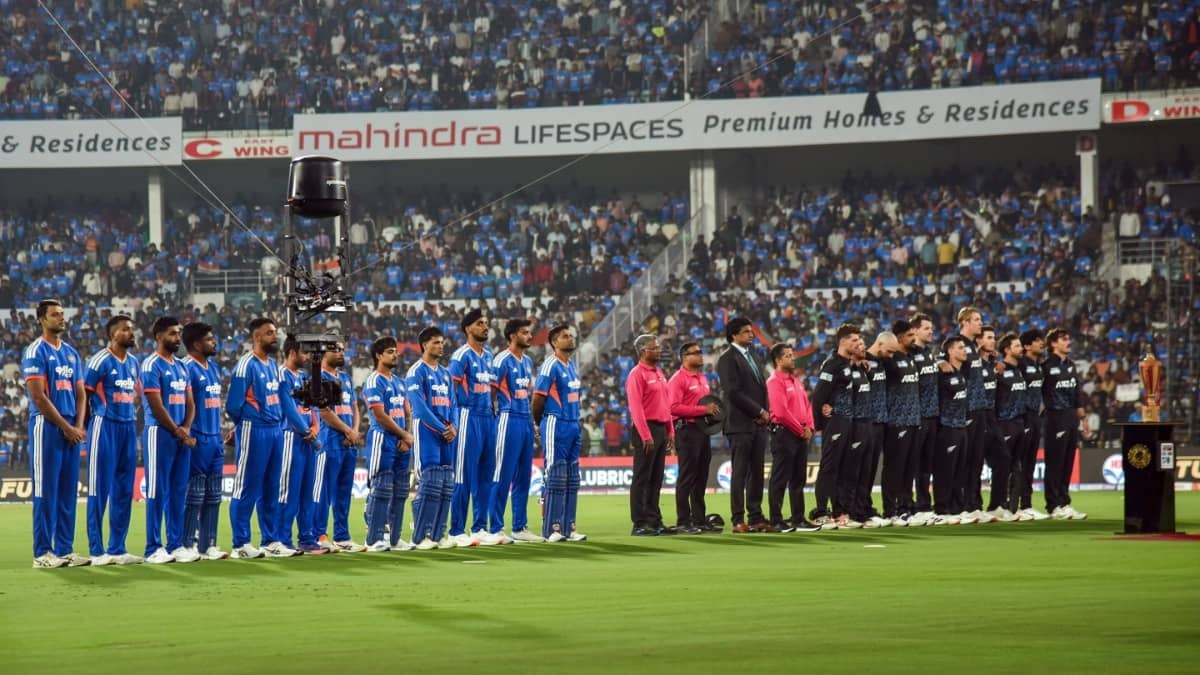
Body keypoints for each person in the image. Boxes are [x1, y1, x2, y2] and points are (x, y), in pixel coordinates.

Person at [25, 299, 90, 568]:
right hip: (47, 427)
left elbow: (81, 393)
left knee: (67, 493)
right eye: (55, 315)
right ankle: (42, 553)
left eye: (63, 314)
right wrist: (67, 427)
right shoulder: (35, 351)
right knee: (45, 491)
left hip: (71, 429)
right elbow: (38, 397)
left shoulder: (72, 353)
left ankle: (65, 549)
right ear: (42, 319)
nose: (61, 318)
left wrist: (79, 425)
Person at [227, 317, 288, 559]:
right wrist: (245, 424)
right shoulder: (246, 365)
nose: (275, 336)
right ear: (257, 337)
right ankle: (240, 543)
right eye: (269, 333)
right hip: (255, 429)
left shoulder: (273, 364)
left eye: (275, 332)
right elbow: (233, 405)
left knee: (271, 487)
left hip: (275, 430)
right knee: (247, 486)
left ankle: (270, 540)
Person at [84, 315, 142, 566]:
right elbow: (83, 395)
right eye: (125, 330)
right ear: (113, 334)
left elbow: (136, 395)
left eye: (132, 329)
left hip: (127, 428)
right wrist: (88, 425)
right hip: (104, 425)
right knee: (99, 489)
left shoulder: (134, 363)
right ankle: (97, 551)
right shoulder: (99, 360)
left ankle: (117, 548)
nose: (131, 333)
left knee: (123, 490)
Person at [141, 316, 200, 564]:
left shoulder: (181, 366)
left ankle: (175, 544)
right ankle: (153, 547)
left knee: (178, 492)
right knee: (156, 490)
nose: (178, 338)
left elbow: (190, 402)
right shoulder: (150, 365)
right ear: (159, 337)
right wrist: (178, 431)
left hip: (180, 435)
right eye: (173, 334)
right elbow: (156, 406)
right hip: (159, 434)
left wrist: (186, 426)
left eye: (179, 334)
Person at [716, 317, 774, 533]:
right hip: (740, 424)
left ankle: (756, 516)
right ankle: (738, 519)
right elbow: (733, 392)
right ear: (734, 335)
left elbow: (762, 389)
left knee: (757, 472)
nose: (751, 334)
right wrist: (759, 411)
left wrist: (764, 413)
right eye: (746, 331)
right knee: (740, 472)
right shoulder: (728, 359)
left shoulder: (754, 357)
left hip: (758, 424)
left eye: (751, 331)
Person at [488, 318, 544, 544]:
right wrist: (494, 421)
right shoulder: (501, 359)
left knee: (523, 476)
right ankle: (495, 527)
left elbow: (527, 393)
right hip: (508, 419)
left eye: (529, 332)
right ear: (512, 336)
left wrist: (533, 422)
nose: (529, 336)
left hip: (525, 420)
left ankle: (520, 527)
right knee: (502, 474)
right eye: (524, 332)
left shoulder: (528, 361)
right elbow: (491, 394)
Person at [180, 321, 230, 560]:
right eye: (210, 339)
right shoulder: (186, 367)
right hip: (197, 438)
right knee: (194, 494)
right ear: (197, 344)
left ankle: (209, 544)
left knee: (214, 495)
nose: (214, 342)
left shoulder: (213, 368)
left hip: (215, 438)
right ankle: (187, 544)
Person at [533, 324, 587, 542]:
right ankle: (552, 528)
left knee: (572, 478)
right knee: (555, 476)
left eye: (571, 335)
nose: (570, 338)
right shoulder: (550, 365)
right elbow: (537, 399)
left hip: (573, 423)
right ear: (555, 342)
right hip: (556, 423)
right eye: (565, 336)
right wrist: (541, 424)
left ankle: (569, 527)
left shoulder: (571, 364)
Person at [448, 308, 496, 547]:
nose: (485, 327)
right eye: (480, 323)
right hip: (468, 416)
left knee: (486, 475)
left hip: (488, 417)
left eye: (486, 323)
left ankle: (480, 527)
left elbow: (492, 388)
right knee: (464, 475)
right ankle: (456, 530)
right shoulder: (461, 356)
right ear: (468, 328)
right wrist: (454, 418)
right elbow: (451, 389)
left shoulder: (488, 356)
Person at [362, 336, 415, 551]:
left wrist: (406, 436)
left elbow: (407, 412)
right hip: (382, 440)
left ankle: (394, 538)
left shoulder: (399, 382)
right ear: (378, 355)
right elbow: (380, 415)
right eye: (391, 351)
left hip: (401, 440)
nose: (396, 355)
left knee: (401, 490)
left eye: (396, 351)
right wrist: (404, 434)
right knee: (381, 488)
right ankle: (374, 539)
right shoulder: (374, 381)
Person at [407, 326, 458, 550]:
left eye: (442, 342)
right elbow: (419, 407)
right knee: (429, 482)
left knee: (446, 483)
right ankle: (420, 535)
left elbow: (453, 403)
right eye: (436, 342)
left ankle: (438, 533)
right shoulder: (416, 371)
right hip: (427, 431)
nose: (441, 346)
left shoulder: (445, 373)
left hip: (447, 432)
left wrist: (453, 425)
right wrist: (441, 427)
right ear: (425, 345)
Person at [809, 324, 861, 530]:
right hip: (835, 422)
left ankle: (839, 512)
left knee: (843, 468)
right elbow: (819, 396)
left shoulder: (846, 364)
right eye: (854, 340)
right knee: (829, 467)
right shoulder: (832, 365)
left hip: (846, 421)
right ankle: (821, 512)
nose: (858, 343)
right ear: (844, 342)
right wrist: (820, 425)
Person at [316, 342, 367, 552]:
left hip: (348, 443)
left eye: (342, 350)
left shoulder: (345, 378)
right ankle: (319, 535)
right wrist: (349, 431)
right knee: (324, 492)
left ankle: (342, 536)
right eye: (335, 350)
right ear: (323, 353)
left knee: (344, 493)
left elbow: (354, 407)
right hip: (329, 441)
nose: (340, 353)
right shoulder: (318, 377)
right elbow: (324, 412)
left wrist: (353, 431)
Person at [765, 343, 819, 532]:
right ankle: (776, 519)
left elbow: (807, 406)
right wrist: (800, 429)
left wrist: (810, 427)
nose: (792, 358)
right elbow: (780, 413)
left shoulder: (796, 381)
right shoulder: (774, 382)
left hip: (800, 434)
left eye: (792, 355)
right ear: (778, 360)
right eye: (788, 355)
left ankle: (798, 518)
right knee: (780, 479)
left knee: (798, 479)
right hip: (784, 434)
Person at [277, 337, 324, 555]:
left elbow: (313, 405)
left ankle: (307, 538)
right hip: (291, 437)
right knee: (289, 491)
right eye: (304, 353)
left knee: (307, 491)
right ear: (293, 352)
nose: (308, 357)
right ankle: (282, 539)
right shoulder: (282, 375)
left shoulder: (305, 377)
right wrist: (307, 432)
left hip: (308, 439)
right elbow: (289, 410)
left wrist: (315, 426)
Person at [624, 334, 674, 536]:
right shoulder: (637, 374)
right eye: (655, 348)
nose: (658, 350)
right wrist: (646, 435)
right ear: (644, 351)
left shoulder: (659, 372)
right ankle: (640, 522)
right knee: (642, 477)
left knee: (656, 478)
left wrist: (670, 430)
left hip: (661, 427)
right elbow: (636, 408)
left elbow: (666, 403)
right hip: (647, 429)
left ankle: (654, 520)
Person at [668, 341, 719, 533]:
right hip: (687, 430)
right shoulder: (678, 379)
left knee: (701, 476)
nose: (700, 355)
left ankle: (698, 519)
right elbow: (673, 407)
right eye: (695, 353)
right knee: (687, 477)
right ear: (684, 357)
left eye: (700, 351)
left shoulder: (702, 378)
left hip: (702, 431)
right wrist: (703, 410)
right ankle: (683, 520)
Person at [1041, 329, 1089, 520]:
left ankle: (1065, 502)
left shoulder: (1070, 365)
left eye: (1069, 339)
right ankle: (1053, 505)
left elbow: (1076, 393)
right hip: (1055, 417)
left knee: (1068, 462)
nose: (1068, 342)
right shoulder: (1045, 366)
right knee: (1055, 462)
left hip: (1071, 417)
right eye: (1063, 339)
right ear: (1053, 344)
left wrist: (1083, 419)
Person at [880, 320, 923, 525]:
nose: (914, 339)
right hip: (896, 422)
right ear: (898, 338)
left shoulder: (910, 358)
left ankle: (907, 507)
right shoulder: (889, 359)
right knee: (894, 468)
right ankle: (890, 511)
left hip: (913, 420)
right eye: (909, 336)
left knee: (909, 468)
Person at [951, 306, 985, 525]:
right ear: (964, 322)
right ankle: (962, 504)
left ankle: (973, 504)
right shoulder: (958, 345)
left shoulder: (973, 346)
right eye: (976, 319)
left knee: (976, 461)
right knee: (964, 461)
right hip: (966, 410)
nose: (980, 323)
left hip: (979, 409)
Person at [858, 332, 897, 528]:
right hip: (866, 422)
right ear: (879, 344)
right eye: (889, 351)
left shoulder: (883, 362)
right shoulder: (863, 360)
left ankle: (867, 508)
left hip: (881, 421)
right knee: (863, 468)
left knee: (872, 469)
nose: (891, 355)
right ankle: (860, 509)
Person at [932, 336, 970, 525]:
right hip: (947, 427)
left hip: (961, 426)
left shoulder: (961, 372)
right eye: (961, 347)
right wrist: (939, 360)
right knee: (945, 470)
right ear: (950, 352)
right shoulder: (942, 373)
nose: (965, 351)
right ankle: (942, 508)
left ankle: (957, 508)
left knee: (959, 470)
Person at [990, 333, 1026, 522]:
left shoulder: (1019, 371)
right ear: (1007, 350)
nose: (1021, 349)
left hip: (1019, 422)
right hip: (1005, 423)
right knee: (1002, 466)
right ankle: (998, 504)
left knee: (1016, 467)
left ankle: (1012, 508)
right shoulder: (1000, 370)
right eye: (1017, 346)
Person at [1013, 329, 1049, 520]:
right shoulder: (1020, 365)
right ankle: (1013, 506)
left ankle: (1026, 504)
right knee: (1019, 462)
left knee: (1030, 463)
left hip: (1035, 417)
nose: (1041, 343)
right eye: (1037, 341)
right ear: (1027, 346)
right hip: (1023, 416)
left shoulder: (1039, 366)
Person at [909, 313, 940, 522]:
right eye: (927, 328)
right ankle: (910, 505)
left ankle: (924, 503)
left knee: (928, 464)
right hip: (916, 416)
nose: (931, 331)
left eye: (932, 328)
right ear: (916, 330)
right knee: (913, 464)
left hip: (932, 416)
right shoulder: (910, 354)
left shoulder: (930, 353)